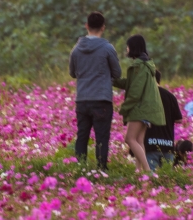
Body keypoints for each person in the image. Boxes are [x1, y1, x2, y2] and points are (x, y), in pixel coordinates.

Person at [69, 11, 121, 171]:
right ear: (103, 28)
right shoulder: (107, 48)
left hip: (82, 99)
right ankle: (101, 169)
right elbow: (117, 73)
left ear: (87, 26)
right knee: (102, 137)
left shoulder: (76, 50)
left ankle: (80, 168)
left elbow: (72, 73)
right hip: (101, 99)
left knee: (82, 135)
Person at [114, 34, 165, 173]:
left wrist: (124, 108)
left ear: (133, 47)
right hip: (146, 108)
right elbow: (130, 84)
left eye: (128, 45)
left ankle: (148, 171)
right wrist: (112, 80)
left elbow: (135, 92)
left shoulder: (139, 66)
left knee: (129, 139)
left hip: (140, 108)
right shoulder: (146, 64)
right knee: (139, 139)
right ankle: (139, 170)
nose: (126, 48)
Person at [144, 70, 183, 171]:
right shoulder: (170, 96)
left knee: (150, 180)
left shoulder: (146, 96)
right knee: (166, 179)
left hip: (150, 144)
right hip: (168, 145)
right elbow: (179, 119)